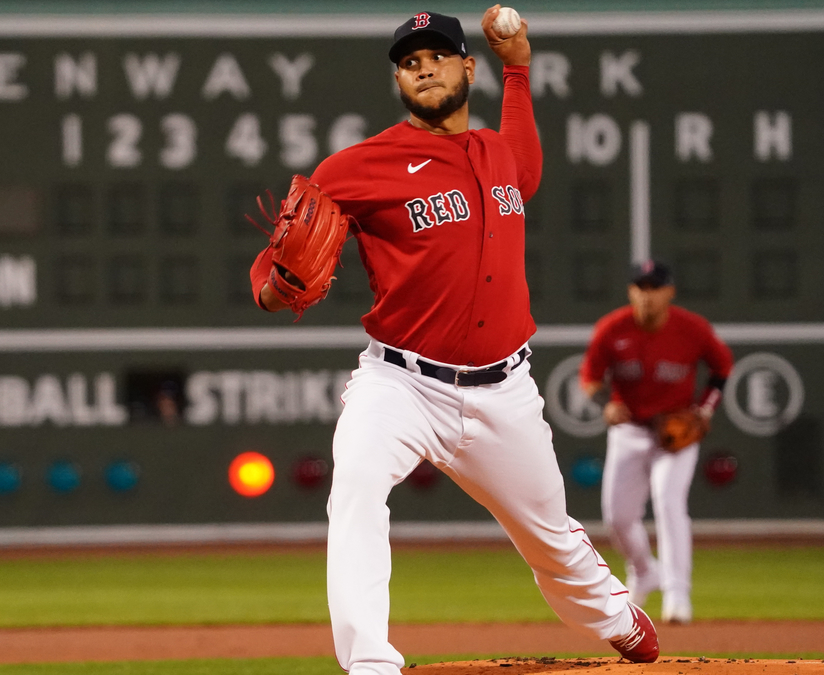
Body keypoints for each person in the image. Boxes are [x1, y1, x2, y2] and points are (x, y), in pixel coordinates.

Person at [249, 8, 659, 673]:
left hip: (505, 391)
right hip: (400, 383)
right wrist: (273, 287)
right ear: (399, 81)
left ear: (468, 68)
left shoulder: (498, 153)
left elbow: (524, 163)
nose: (424, 67)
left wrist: (520, 66)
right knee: (354, 484)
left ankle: (616, 617)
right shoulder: (358, 165)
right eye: (410, 62)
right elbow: (274, 265)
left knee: (550, 538)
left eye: (438, 56)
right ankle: (371, 662)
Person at [579, 260, 734, 625]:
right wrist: (607, 405)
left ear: (670, 292)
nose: (647, 295)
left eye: (655, 287)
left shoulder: (691, 329)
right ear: (631, 291)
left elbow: (722, 367)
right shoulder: (612, 329)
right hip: (629, 431)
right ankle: (644, 570)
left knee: (669, 503)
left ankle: (678, 593)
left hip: (674, 435)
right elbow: (589, 379)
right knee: (617, 518)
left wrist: (707, 410)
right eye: (640, 287)